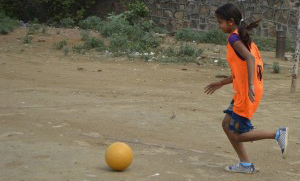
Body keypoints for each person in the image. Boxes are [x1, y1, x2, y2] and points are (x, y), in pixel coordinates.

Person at [204, 3, 288, 173]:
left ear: (231, 21)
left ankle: (277, 134)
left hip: (247, 93)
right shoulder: (243, 38)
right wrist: (221, 83)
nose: (218, 26)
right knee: (226, 124)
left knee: (235, 134)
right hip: (245, 91)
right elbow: (241, 71)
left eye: (220, 22)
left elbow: (250, 59)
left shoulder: (234, 39)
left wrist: (249, 86)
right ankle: (245, 164)